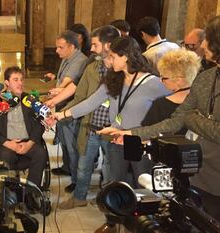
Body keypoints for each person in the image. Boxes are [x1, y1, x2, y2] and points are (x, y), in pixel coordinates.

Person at [100, 16, 220, 222]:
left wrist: (191, 117)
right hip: (201, 178)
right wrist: (129, 133)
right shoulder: (207, 78)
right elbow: (175, 120)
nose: (202, 44)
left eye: (206, 39)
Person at [54, 36, 170, 188]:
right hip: (117, 140)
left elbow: (171, 112)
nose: (109, 61)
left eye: (113, 57)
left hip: (141, 142)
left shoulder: (153, 83)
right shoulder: (114, 79)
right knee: (118, 185)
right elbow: (90, 102)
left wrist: (154, 137)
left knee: (143, 186)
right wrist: (61, 115)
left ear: (126, 57)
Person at [50, 25, 120, 209]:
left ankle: (110, 202)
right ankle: (79, 197)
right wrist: (60, 114)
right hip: (90, 126)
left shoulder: (123, 71)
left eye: (96, 45)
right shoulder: (92, 67)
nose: (91, 48)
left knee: (111, 169)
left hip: (113, 129)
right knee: (83, 166)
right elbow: (81, 97)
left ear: (108, 45)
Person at [0, 66, 48, 191]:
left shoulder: (29, 100)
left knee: (41, 153)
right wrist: (9, 144)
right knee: (5, 159)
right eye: (16, 79)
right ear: (7, 83)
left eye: (21, 79)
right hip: (6, 144)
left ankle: (32, 193)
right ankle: (11, 193)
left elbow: (40, 125)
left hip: (27, 142)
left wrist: (29, 144)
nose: (20, 83)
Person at [45, 30, 88, 193]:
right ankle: (66, 167)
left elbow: (68, 82)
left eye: (60, 47)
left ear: (71, 46)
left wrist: (56, 92)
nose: (56, 51)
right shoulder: (67, 58)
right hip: (62, 107)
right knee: (64, 140)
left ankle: (77, 179)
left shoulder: (80, 61)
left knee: (72, 146)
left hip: (71, 110)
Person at [142, 49, 200, 134]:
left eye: (164, 78)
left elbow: (146, 134)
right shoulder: (206, 100)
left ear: (178, 80)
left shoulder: (160, 106)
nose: (161, 81)